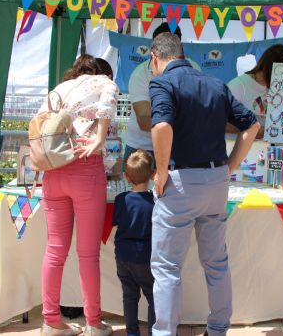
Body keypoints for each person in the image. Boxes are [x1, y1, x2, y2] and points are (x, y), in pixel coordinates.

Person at [148, 33, 260, 336]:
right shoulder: (215, 84)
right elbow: (252, 124)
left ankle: (164, 333)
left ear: (155, 58)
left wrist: (160, 172)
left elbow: (160, 126)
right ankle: (218, 329)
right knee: (216, 262)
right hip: (215, 182)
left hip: (181, 183)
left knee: (168, 268)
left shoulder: (162, 83)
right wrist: (230, 166)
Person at [39, 54, 118, 336]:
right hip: (85, 168)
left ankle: (51, 321)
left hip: (53, 171)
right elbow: (109, 97)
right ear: (101, 72)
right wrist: (100, 136)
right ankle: (94, 322)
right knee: (87, 254)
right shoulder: (102, 82)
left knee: (54, 250)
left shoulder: (58, 90)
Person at [124, 23, 200, 162]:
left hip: (177, 145)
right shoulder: (141, 73)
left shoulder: (193, 68)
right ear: (154, 47)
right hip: (142, 146)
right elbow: (143, 119)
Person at [112, 150, 156, 336]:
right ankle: (155, 331)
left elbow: (116, 222)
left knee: (129, 296)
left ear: (127, 177)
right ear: (153, 174)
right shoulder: (156, 201)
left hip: (123, 256)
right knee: (154, 297)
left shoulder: (120, 200)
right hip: (145, 256)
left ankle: (132, 332)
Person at [226, 44, 283, 137]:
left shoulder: (277, 89)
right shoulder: (239, 85)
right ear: (272, 69)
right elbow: (220, 121)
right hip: (238, 148)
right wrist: (253, 130)